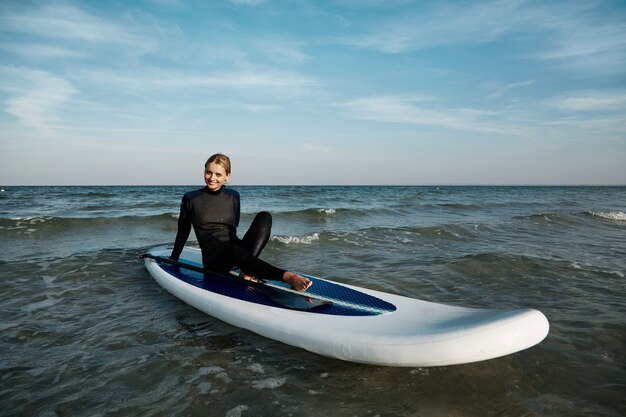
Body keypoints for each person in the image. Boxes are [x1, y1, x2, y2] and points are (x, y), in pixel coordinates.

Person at [170, 153, 312, 292]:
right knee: (233, 249)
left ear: (227, 176)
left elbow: (233, 228)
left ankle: (247, 271)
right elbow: (183, 231)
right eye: (208, 172)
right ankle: (288, 277)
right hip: (214, 260)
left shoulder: (233, 196)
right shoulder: (191, 198)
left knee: (264, 217)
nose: (212, 178)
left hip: (235, 251)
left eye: (218, 175)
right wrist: (174, 258)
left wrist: (242, 254)